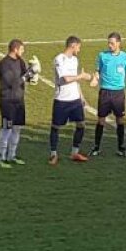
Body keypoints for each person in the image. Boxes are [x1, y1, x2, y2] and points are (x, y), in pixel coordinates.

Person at [49, 36, 92, 164]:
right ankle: (53, 154)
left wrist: (81, 96)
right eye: (78, 47)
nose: (79, 49)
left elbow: (75, 81)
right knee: (56, 126)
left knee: (81, 124)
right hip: (62, 100)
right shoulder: (59, 59)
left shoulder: (75, 60)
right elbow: (66, 79)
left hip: (75, 100)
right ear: (73, 46)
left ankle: (75, 152)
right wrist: (82, 76)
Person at [91, 32, 126, 157]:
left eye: (112, 43)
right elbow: (97, 71)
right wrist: (95, 78)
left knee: (119, 120)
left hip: (118, 93)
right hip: (105, 92)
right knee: (101, 120)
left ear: (119, 43)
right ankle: (96, 146)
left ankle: (121, 147)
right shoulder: (102, 56)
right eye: (109, 43)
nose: (109, 45)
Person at [0, 39, 34, 168]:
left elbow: (27, 78)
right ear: (15, 49)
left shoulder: (20, 61)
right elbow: (11, 82)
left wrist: (33, 72)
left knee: (17, 128)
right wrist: (26, 76)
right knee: (7, 128)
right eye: (22, 49)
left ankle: (12, 155)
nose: (23, 52)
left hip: (19, 101)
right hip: (7, 102)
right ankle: (1, 158)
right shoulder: (4, 64)